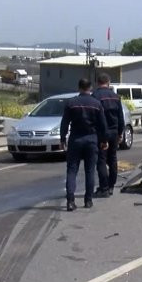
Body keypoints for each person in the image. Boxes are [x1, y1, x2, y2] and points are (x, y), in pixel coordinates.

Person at [60, 78, 108, 211]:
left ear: (79, 88)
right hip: (91, 139)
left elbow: (64, 123)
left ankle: (70, 201)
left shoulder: (71, 103)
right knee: (90, 171)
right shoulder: (96, 104)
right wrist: (104, 140)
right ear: (90, 88)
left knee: (72, 170)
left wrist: (62, 139)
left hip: (75, 139)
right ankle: (88, 200)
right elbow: (102, 125)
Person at [92, 73, 125, 198]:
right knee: (112, 159)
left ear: (97, 83)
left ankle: (104, 187)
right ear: (108, 82)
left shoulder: (95, 96)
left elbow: (94, 117)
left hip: (101, 133)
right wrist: (120, 133)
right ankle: (111, 186)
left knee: (101, 160)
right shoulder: (116, 97)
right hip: (114, 132)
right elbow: (120, 117)